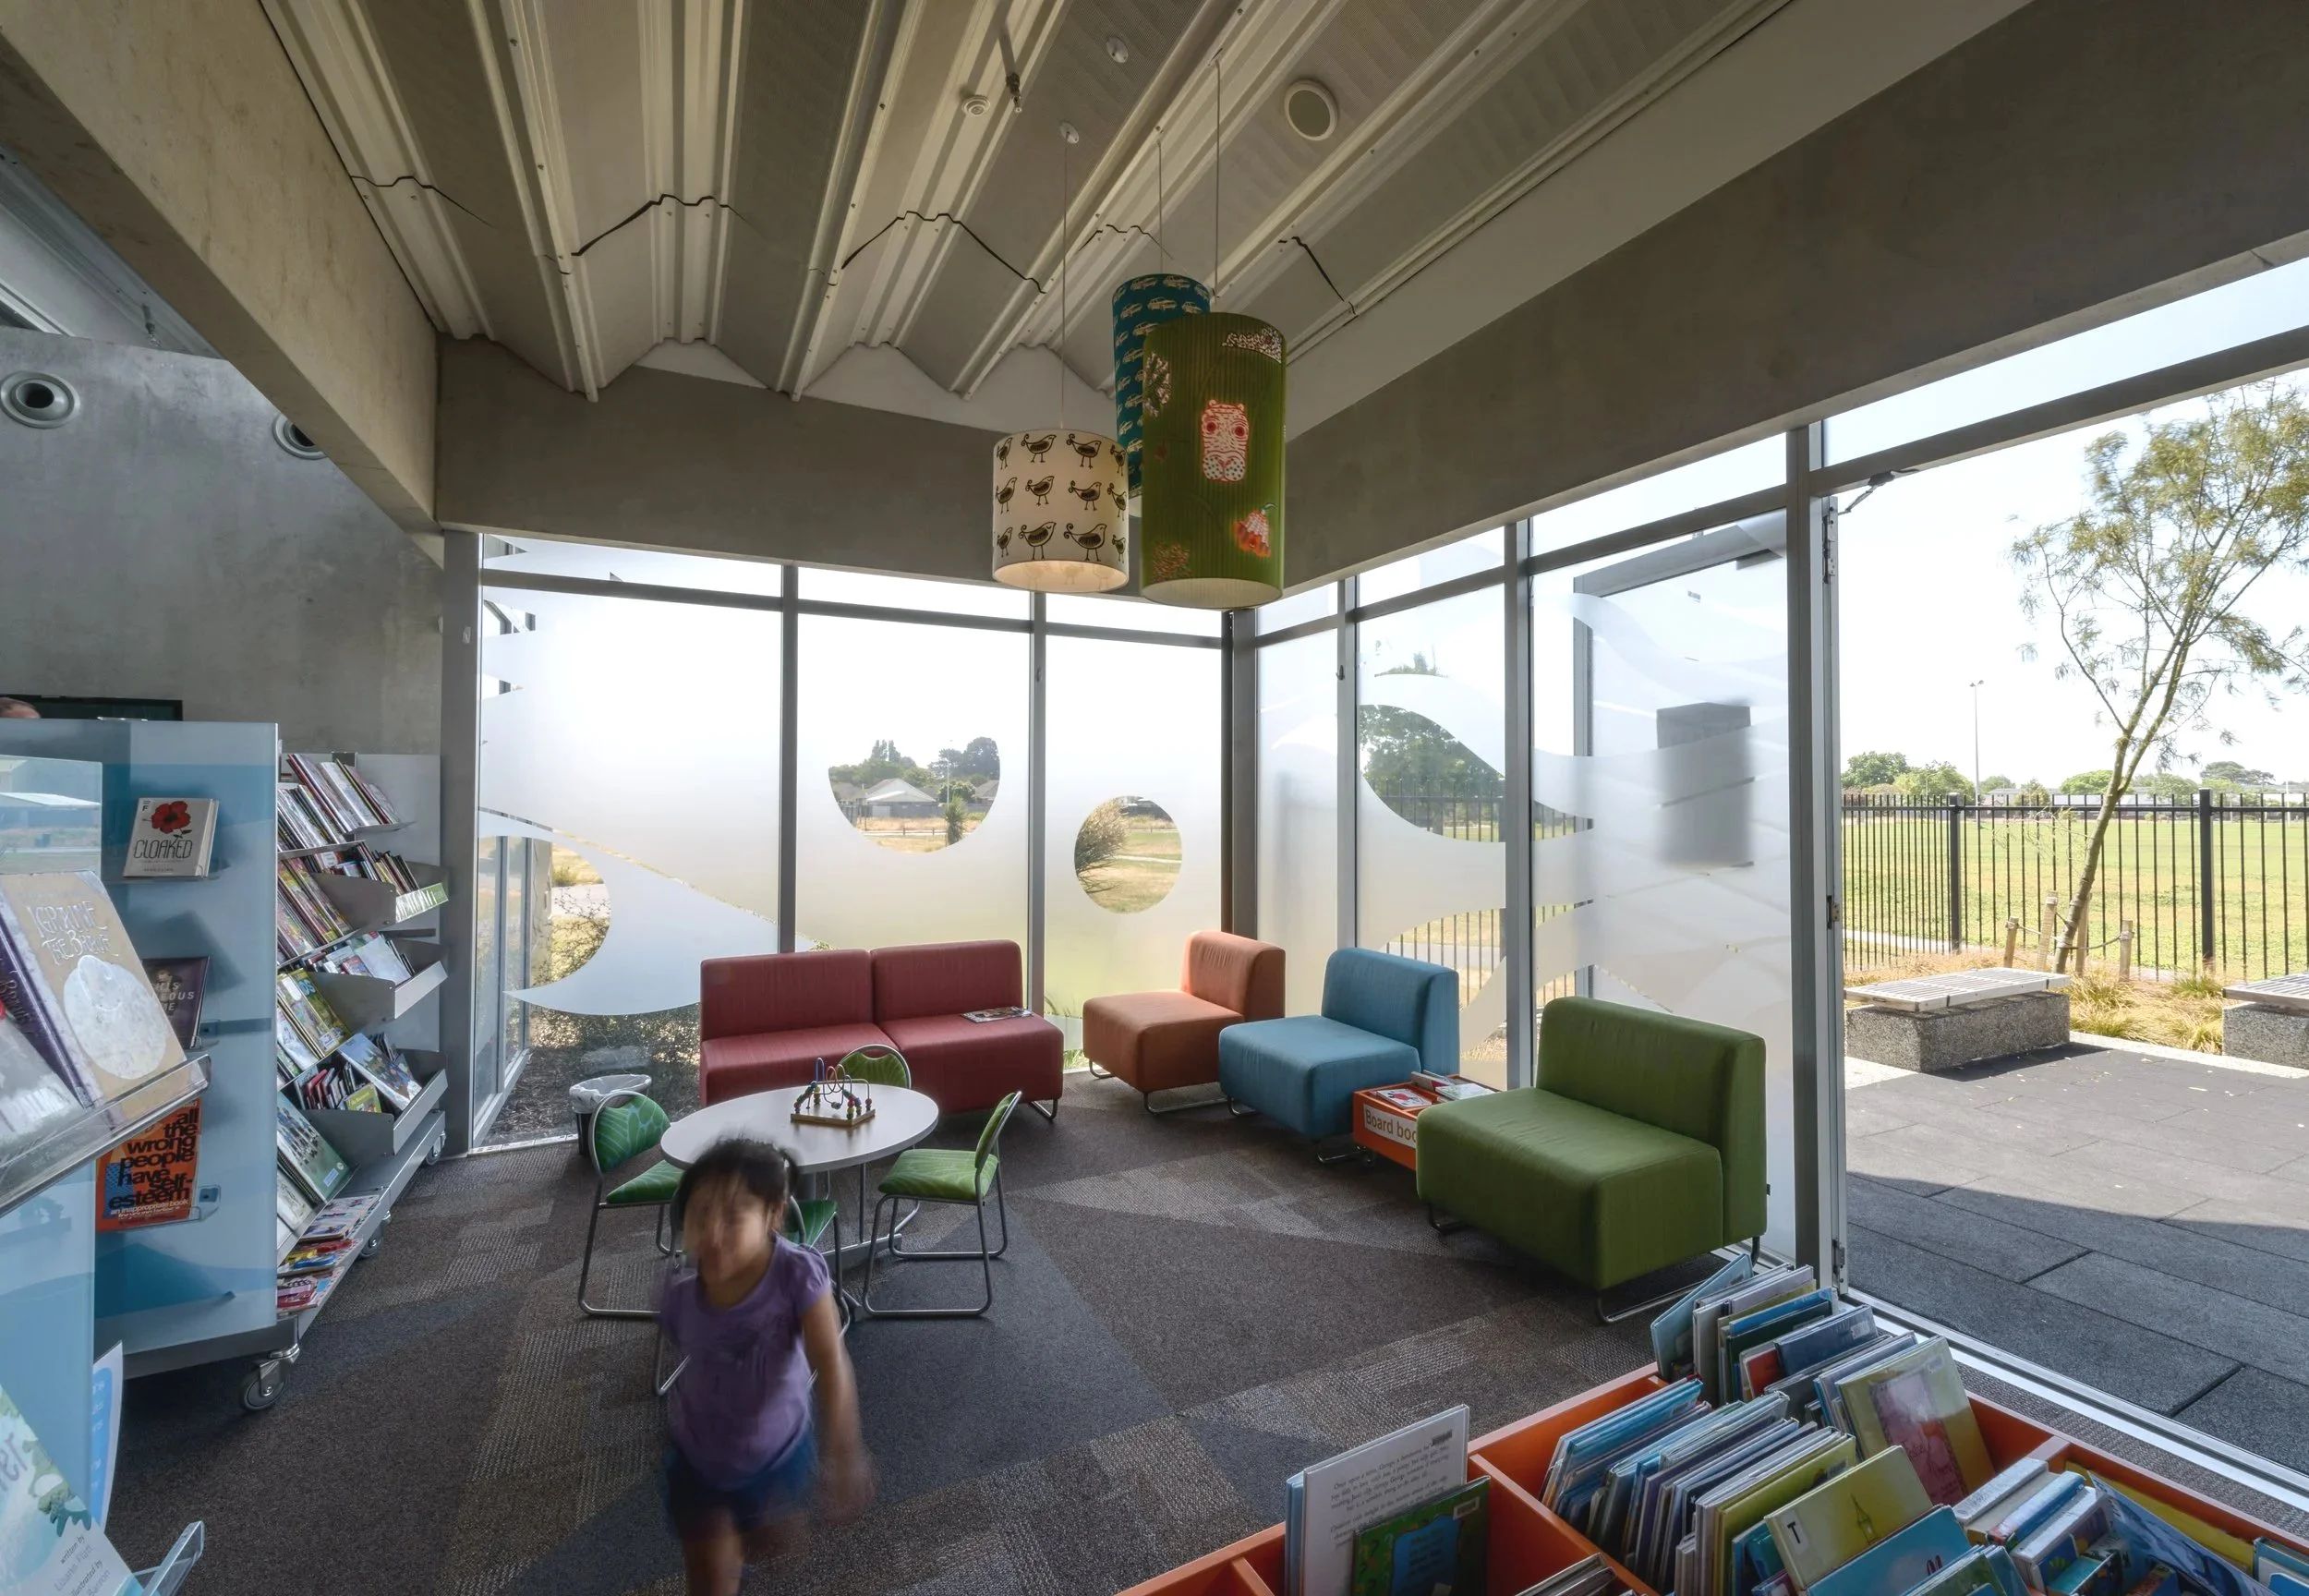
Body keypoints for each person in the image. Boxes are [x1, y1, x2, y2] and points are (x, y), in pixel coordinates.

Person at [658, 1137, 873, 1594]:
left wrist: (844, 1453)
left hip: (774, 1451)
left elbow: (832, 1367)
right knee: (710, 1574)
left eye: (734, 1217)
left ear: (773, 1215)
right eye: (699, 1218)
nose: (712, 1234)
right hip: (698, 1455)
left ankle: (759, 1531)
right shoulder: (679, 1295)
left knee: (769, 1543)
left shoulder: (797, 1278)